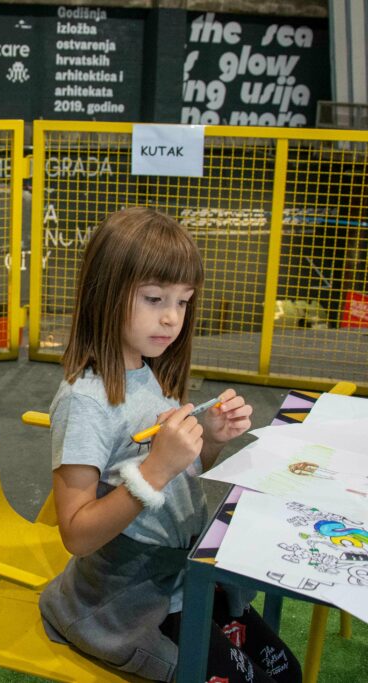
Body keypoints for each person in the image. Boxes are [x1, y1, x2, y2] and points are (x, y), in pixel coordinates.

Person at [37, 208, 301, 682]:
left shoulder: (149, 369)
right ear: (105, 293)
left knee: (286, 672)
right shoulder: (84, 402)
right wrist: (156, 469)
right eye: (155, 298)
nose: (171, 317)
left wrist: (210, 443)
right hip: (121, 606)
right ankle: (65, 609)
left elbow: (178, 477)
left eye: (183, 301)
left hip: (178, 577)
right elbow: (76, 535)